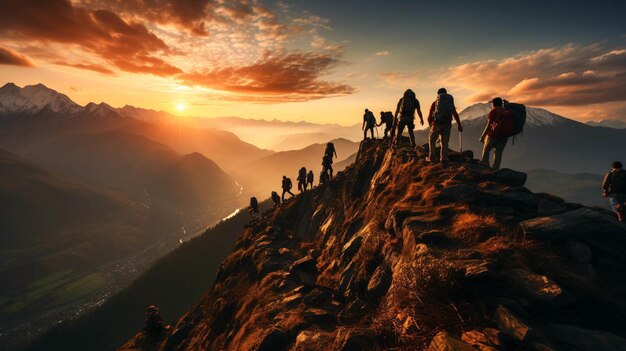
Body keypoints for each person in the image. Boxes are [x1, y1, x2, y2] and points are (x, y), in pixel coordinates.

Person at [427, 88, 463, 162]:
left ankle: (432, 157)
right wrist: (459, 125)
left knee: (432, 140)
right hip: (447, 123)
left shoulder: (435, 103)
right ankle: (443, 158)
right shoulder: (449, 104)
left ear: (438, 95)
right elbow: (455, 114)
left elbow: (429, 117)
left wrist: (431, 127)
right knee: (445, 141)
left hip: (437, 123)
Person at [479, 97, 508, 169]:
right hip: (504, 136)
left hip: (493, 135)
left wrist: (483, 136)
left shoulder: (493, 111)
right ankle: (495, 169)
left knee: (486, 149)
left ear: (494, 104)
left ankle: (484, 165)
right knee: (498, 153)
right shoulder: (506, 111)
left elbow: (489, 125)